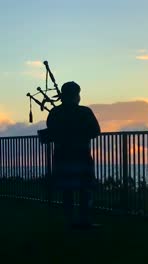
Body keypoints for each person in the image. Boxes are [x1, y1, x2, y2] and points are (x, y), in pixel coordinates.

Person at [46, 81, 101, 228]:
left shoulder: (55, 112)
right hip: (81, 154)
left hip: (62, 155)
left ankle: (69, 221)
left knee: (67, 190)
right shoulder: (84, 112)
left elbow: (51, 131)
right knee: (84, 189)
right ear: (76, 95)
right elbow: (96, 131)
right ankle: (84, 220)